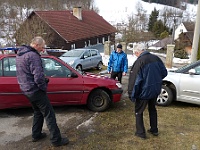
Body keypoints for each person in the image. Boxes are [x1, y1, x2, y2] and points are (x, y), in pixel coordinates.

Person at [16, 36, 69, 147]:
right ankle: (56, 140)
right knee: (49, 114)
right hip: (35, 90)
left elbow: (26, 73)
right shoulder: (33, 56)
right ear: (36, 45)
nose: (43, 49)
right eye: (42, 47)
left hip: (26, 89)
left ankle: (36, 135)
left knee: (38, 112)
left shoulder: (20, 55)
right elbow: (38, 77)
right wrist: (43, 86)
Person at [128, 43, 167, 139]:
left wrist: (131, 93)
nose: (135, 55)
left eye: (135, 54)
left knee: (139, 111)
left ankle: (140, 133)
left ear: (137, 52)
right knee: (152, 109)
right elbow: (164, 72)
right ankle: (154, 129)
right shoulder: (156, 58)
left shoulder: (139, 62)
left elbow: (135, 81)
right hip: (155, 90)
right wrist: (156, 80)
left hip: (143, 92)